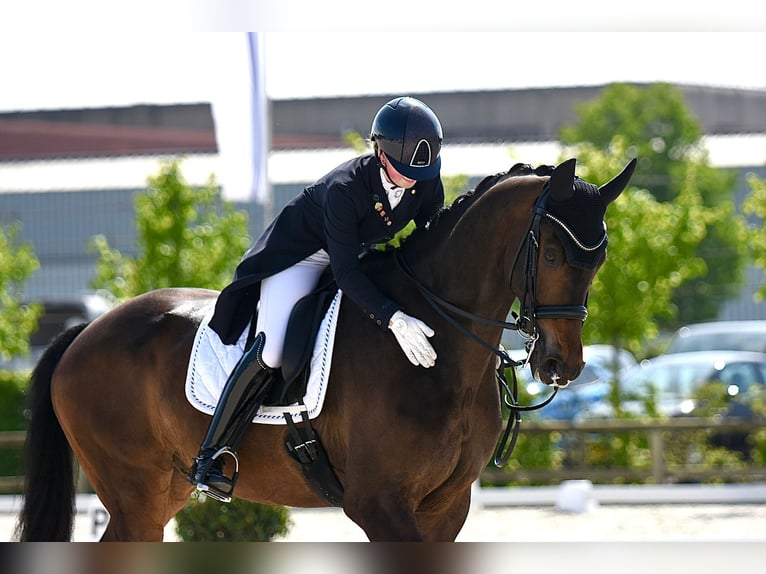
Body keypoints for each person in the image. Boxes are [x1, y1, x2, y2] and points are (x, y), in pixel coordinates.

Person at [189, 96, 446, 502]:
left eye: (422, 172)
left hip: (353, 252)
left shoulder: (424, 177)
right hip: (303, 256)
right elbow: (344, 273)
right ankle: (212, 455)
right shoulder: (346, 188)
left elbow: (430, 238)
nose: (413, 180)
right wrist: (393, 317)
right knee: (272, 350)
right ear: (380, 152)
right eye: (404, 170)